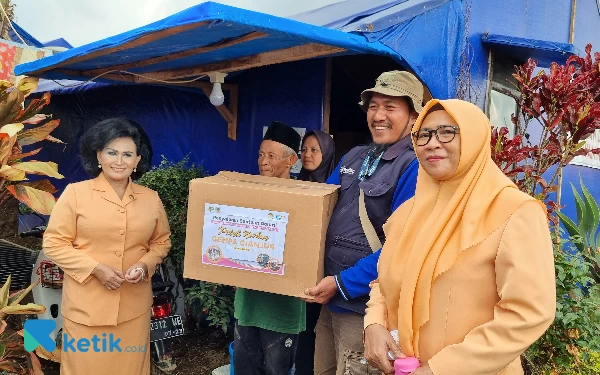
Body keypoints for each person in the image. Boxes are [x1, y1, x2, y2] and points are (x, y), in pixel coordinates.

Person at [363, 99, 556, 375]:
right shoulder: (408, 213)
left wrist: (441, 369)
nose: (432, 143)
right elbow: (384, 281)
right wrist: (374, 324)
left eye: (447, 132)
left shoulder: (515, 212)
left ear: (474, 138)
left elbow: (528, 313)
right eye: (423, 134)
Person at [303, 70, 425, 375]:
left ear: (413, 117)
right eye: (373, 106)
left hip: (365, 310)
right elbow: (317, 210)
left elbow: (403, 249)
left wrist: (343, 283)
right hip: (330, 302)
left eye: (390, 107)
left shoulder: (414, 167)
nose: (378, 115)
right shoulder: (354, 157)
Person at [42, 118, 172, 375]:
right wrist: (96, 269)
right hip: (87, 309)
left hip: (134, 309)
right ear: (98, 155)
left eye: (127, 154)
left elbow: (161, 241)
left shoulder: (150, 198)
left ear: (137, 160)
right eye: (112, 152)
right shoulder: (75, 194)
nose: (119, 161)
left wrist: (145, 265)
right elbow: (54, 243)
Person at [234, 121, 305, 375]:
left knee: (277, 371)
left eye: (272, 156)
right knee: (244, 368)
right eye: (261, 154)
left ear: (291, 160)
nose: (263, 162)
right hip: (249, 302)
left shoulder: (305, 198)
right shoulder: (247, 193)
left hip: (282, 308)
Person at [295, 129, 336, 375]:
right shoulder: (296, 185)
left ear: (327, 152)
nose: (307, 155)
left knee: (315, 333)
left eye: (314, 150)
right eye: (304, 149)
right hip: (296, 272)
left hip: (323, 276)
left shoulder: (336, 188)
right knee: (298, 334)